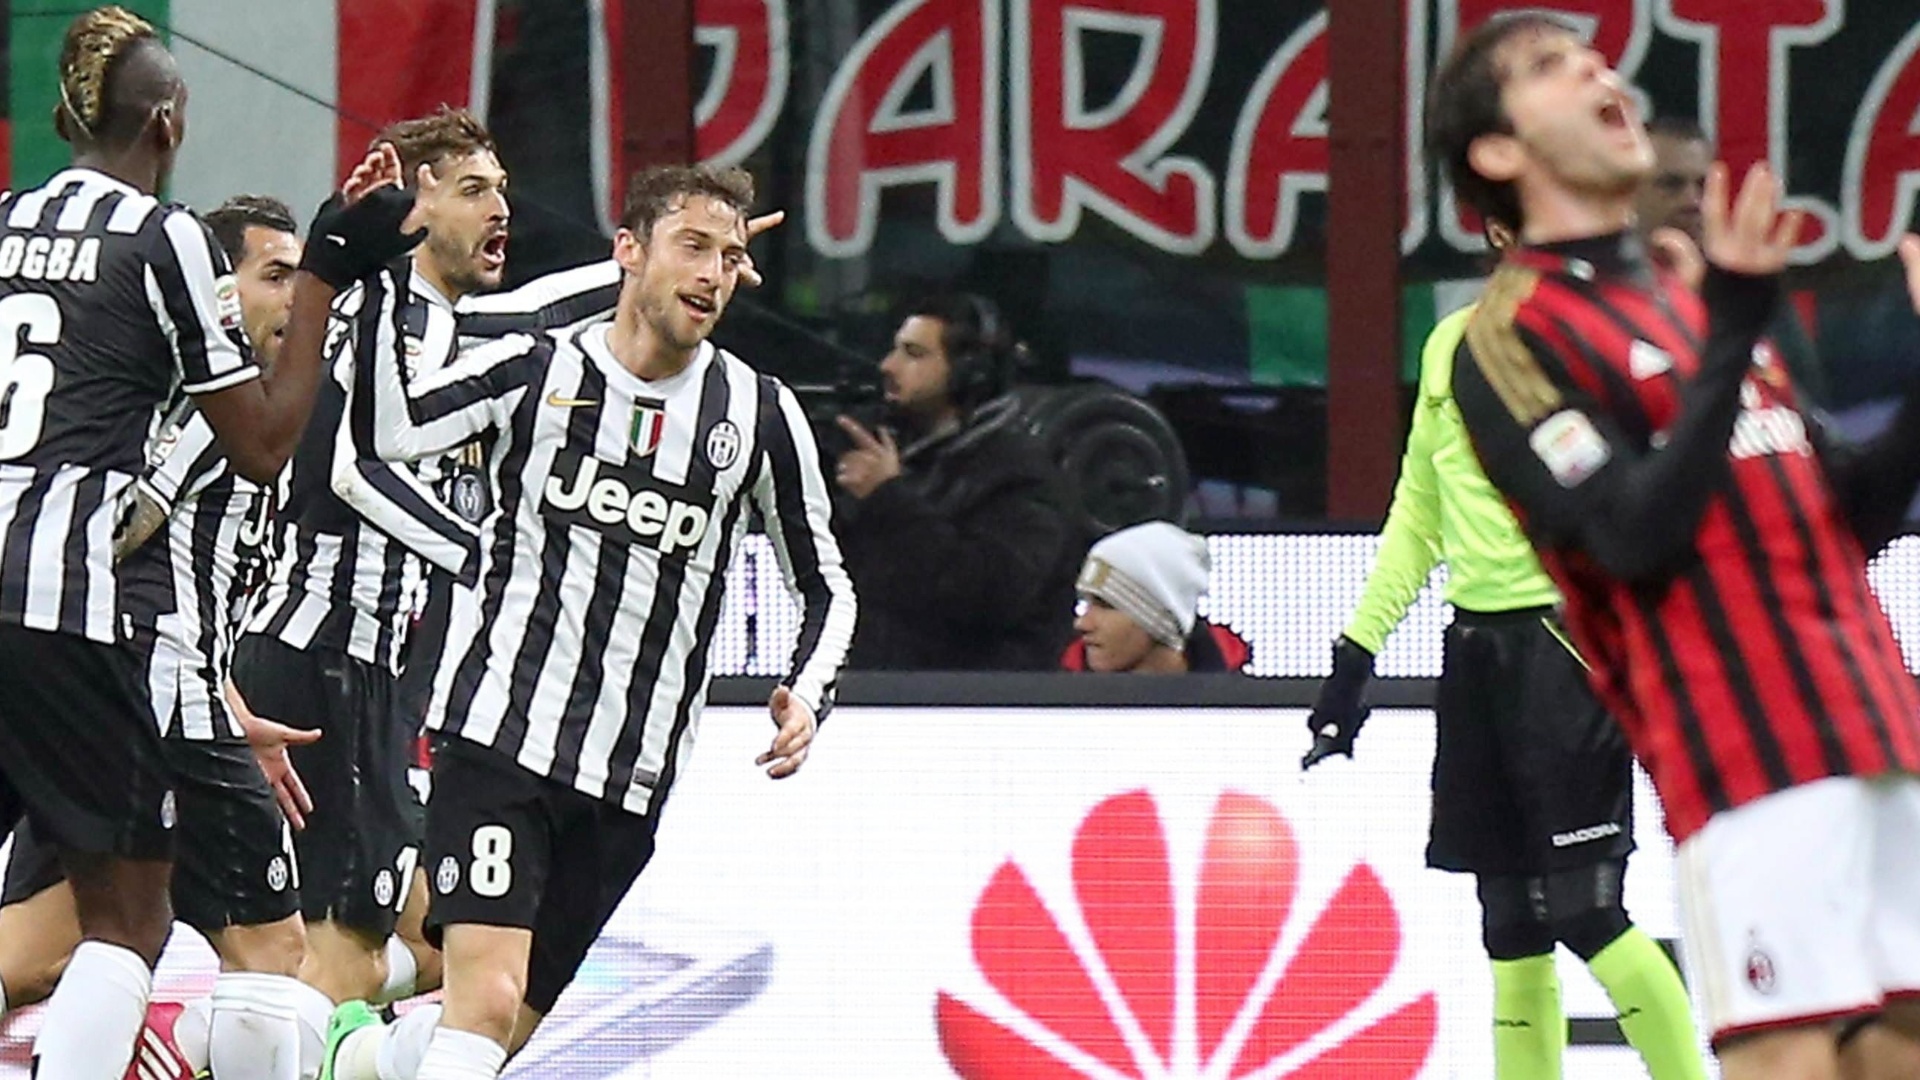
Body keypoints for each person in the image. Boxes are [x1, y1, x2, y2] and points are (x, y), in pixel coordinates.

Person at [1433, 12, 1920, 1079]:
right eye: (1554, 67)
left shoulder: (1692, 294)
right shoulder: (1512, 334)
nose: (1599, 72)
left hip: (1881, 729)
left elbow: (1853, 517)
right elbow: (1631, 536)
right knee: (1790, 1060)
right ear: (1499, 152)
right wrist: (1736, 322)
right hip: (1748, 756)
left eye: (1596, 58)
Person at [338, 161, 853, 1080]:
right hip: (498, 739)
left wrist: (809, 692)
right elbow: (391, 433)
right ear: (628, 251)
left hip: (628, 780)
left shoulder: (759, 414)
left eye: (728, 257)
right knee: (485, 1002)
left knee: (501, 1031)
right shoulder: (537, 368)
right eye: (692, 247)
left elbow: (826, 586)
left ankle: (352, 1059)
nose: (712, 274)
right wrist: (375, 275)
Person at [0, 7, 412, 1076]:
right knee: (128, 924)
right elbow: (265, 442)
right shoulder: (164, 236)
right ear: (169, 122)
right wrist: (325, 277)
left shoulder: (6, 219)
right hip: (67, 607)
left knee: (47, 942)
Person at [1300, 286, 1703, 1080]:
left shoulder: (1589, 341)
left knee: (1588, 910)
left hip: (1566, 646)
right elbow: (1418, 512)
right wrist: (1354, 657)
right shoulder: (1448, 344)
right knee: (1509, 926)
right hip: (1475, 655)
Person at [0, 195, 322, 1080]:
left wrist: (228, 698)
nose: (291, 298)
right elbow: (128, 526)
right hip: (150, 698)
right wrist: (188, 690)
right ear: (216, 291)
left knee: (41, 951)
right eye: (273, 275)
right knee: (267, 948)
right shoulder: (207, 408)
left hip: (127, 684)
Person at [833, 293, 1081, 670]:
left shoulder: (1023, 476)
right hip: (883, 693)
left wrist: (887, 499)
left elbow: (989, 595)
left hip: (976, 699)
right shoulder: (903, 458)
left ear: (969, 372)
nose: (888, 366)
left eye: (913, 353)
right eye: (894, 350)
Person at [1634, 114, 1826, 404]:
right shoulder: (1605, 294)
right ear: (1628, 191)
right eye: (1671, 185)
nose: (1691, 201)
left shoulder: (1745, 289)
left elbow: (1808, 402)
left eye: (1703, 186)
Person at [1059, 521, 1250, 673]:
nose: (1082, 624)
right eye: (1087, 603)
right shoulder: (1056, 705)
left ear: (1157, 619)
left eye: (1107, 605)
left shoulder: (1244, 707)